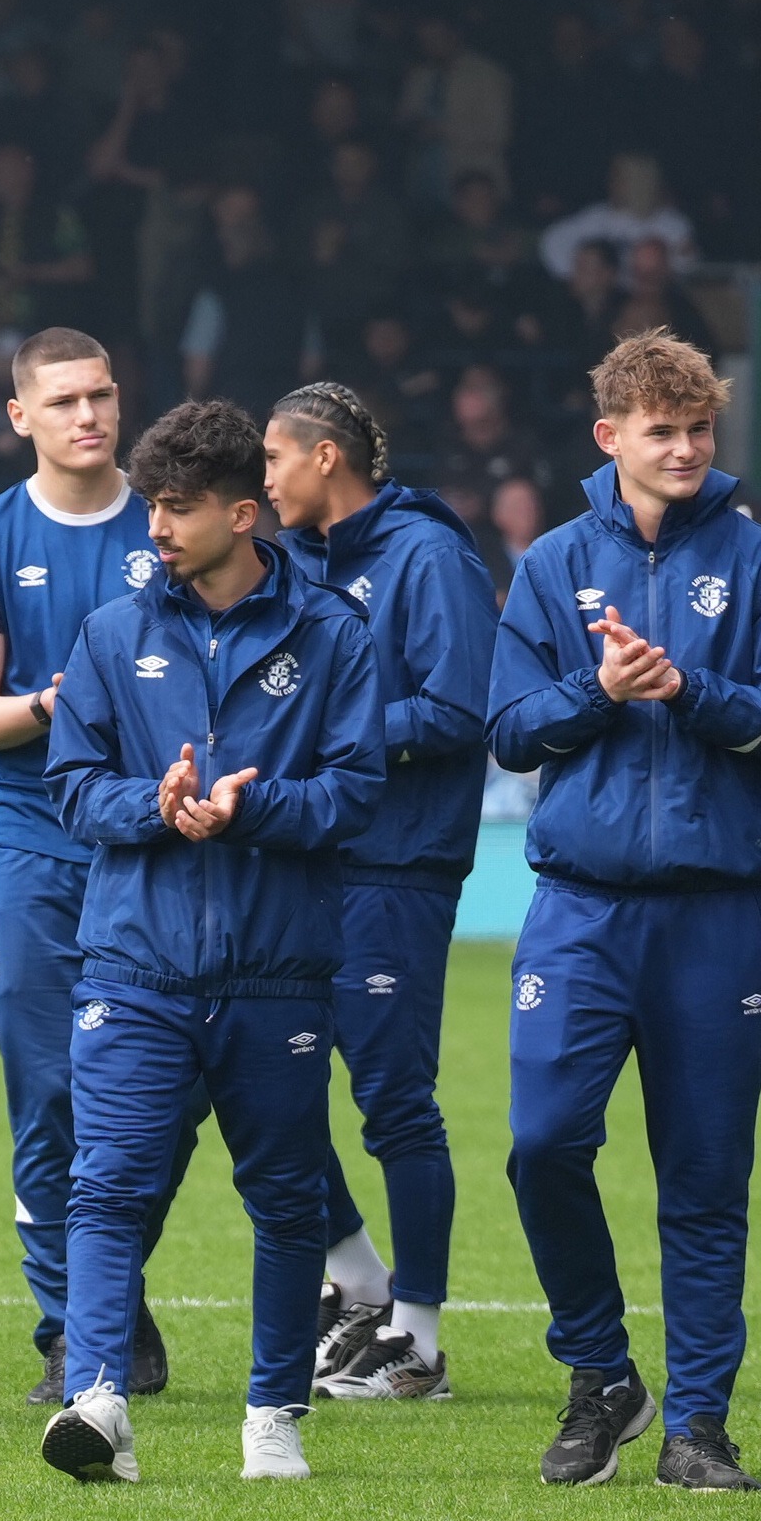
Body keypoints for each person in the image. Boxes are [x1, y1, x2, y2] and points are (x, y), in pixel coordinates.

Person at [485, 329, 761, 1492]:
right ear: (610, 437)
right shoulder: (550, 566)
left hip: (714, 913)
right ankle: (598, 1374)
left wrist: (688, 689)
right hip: (579, 908)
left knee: (703, 1174)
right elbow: (510, 728)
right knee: (540, 1147)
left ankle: (700, 1426)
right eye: (659, 431)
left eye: (696, 430)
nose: (682, 449)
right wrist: (598, 690)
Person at [35, 400, 382, 1487]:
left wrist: (254, 806)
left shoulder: (332, 634)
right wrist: (158, 802)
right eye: (149, 505)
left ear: (244, 513)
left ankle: (272, 1413)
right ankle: (98, 1396)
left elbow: (358, 793)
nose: (154, 527)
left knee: (284, 1198)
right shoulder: (110, 631)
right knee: (105, 1185)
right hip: (134, 964)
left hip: (275, 968)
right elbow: (71, 788)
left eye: (176, 508)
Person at [0, 328, 167, 1405]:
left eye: (103, 394)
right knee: (48, 1096)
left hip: (147, 839)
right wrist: (55, 701)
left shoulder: (168, 520)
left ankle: (111, 1299)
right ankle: (74, 1331)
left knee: (157, 1101)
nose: (90, 414)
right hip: (26, 838)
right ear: (21, 416)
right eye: (65, 399)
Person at [265, 382, 497, 1405]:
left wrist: (330, 731)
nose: (261, 479)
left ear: (325, 459)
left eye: (274, 457)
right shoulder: (295, 562)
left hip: (396, 863)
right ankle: (356, 1274)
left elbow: (457, 709)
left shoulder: (428, 555)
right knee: (261, 1082)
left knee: (392, 1097)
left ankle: (420, 1336)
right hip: (305, 857)